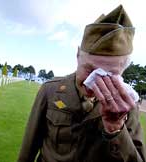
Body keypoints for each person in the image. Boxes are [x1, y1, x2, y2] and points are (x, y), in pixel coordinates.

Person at [17, 5, 146, 162]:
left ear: (122, 71)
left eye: (108, 75)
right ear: (78, 55)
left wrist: (115, 127)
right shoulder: (50, 90)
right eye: (89, 69)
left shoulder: (127, 106)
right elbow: (29, 147)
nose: (93, 83)